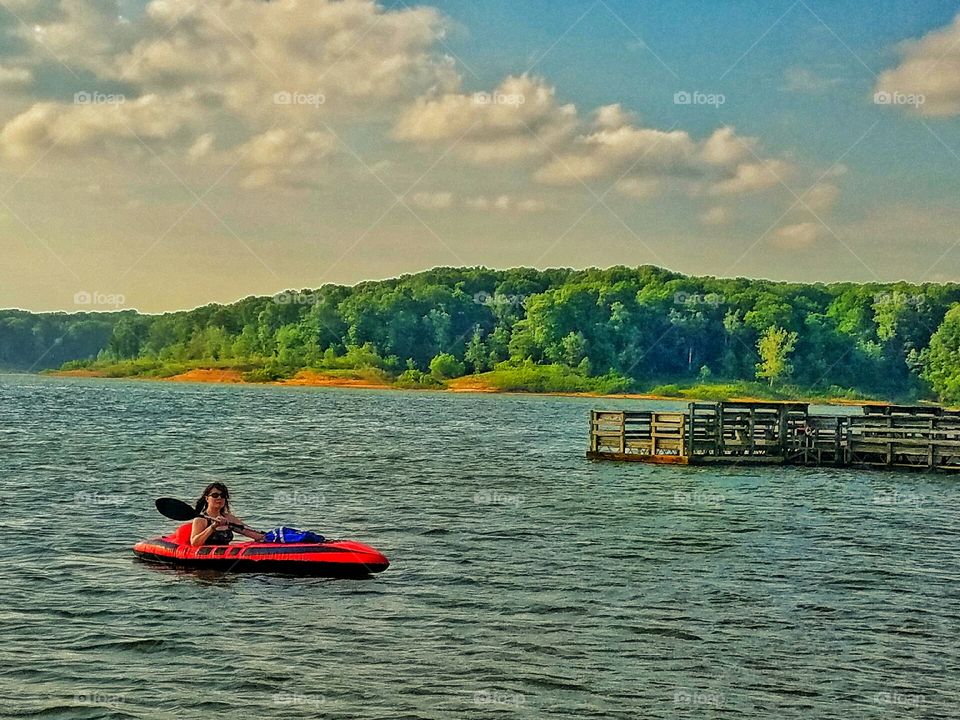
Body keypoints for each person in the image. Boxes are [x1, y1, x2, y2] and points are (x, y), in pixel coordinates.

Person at [189, 482, 265, 546]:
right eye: (215, 495)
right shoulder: (201, 519)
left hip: (225, 557)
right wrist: (213, 526)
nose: (219, 498)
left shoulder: (228, 518)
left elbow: (248, 531)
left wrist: (269, 537)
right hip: (206, 559)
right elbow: (195, 543)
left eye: (223, 496)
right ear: (207, 498)